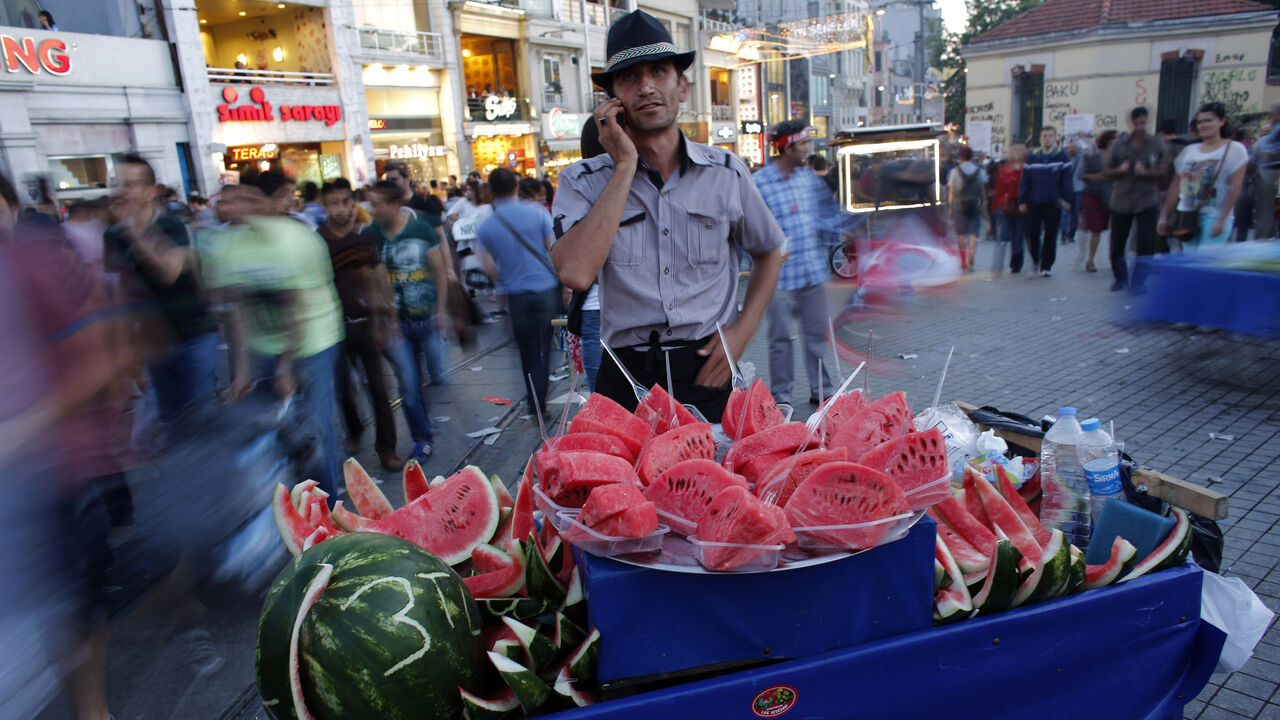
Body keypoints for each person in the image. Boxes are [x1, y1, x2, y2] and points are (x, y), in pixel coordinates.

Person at [550, 9, 784, 420]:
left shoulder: (726, 172)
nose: (646, 87)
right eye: (629, 78)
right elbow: (575, 272)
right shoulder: (581, 180)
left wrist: (743, 331)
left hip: (707, 365)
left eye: (659, 71)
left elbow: (770, 249)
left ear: (683, 85)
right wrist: (623, 166)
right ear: (612, 101)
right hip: (623, 370)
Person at [200, 173, 345, 495]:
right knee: (267, 432)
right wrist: (242, 369)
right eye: (236, 199)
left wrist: (285, 367)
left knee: (315, 429)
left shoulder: (294, 240)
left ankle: (331, 509)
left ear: (268, 202)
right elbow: (238, 309)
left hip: (313, 340)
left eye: (252, 199)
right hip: (263, 344)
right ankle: (287, 506)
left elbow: (294, 307)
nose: (242, 206)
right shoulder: (226, 245)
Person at [103, 154, 219, 425]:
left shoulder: (173, 225)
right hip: (154, 344)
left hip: (194, 335)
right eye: (119, 184)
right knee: (172, 423)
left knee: (203, 418)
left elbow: (168, 273)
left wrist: (133, 231)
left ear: (151, 191)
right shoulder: (112, 235)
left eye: (130, 185)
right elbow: (119, 294)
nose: (123, 191)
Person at [754, 120, 840, 406]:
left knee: (816, 338)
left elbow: (822, 217)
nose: (807, 149)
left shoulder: (808, 179)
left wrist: (842, 229)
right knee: (780, 342)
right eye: (803, 144)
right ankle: (781, 398)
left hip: (813, 274)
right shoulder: (759, 183)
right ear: (787, 146)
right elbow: (750, 228)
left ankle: (822, 391)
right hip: (778, 280)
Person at [319, 178, 400, 471]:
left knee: (378, 388)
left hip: (367, 324)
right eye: (333, 203)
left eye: (345, 202)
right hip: (332, 329)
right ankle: (354, 429)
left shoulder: (366, 241)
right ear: (324, 205)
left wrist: (386, 318)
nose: (340, 209)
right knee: (343, 388)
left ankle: (386, 449)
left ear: (353, 204)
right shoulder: (319, 242)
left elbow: (380, 281)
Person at [363, 180, 446, 464]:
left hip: (427, 317)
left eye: (377, 204)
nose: (371, 210)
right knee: (409, 384)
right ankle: (422, 438)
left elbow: (439, 272)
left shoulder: (421, 229)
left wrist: (442, 310)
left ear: (395, 205)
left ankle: (422, 417)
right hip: (396, 324)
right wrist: (385, 319)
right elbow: (374, 282)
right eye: (370, 204)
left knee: (434, 374)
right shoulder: (370, 234)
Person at [476, 169, 561, 414]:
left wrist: (504, 278)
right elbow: (552, 249)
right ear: (516, 186)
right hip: (545, 289)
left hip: (517, 295)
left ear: (490, 191)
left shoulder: (488, 225)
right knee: (546, 345)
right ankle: (540, 397)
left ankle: (535, 404)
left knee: (527, 351)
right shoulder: (537, 212)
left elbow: (485, 264)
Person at [1159, 102, 1249, 250]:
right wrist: (1164, 215)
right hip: (1187, 216)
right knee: (1191, 264)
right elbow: (1176, 185)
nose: (1204, 125)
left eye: (1209, 120)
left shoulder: (1234, 149)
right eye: (1200, 122)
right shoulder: (1189, 150)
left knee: (1206, 264)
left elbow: (1235, 187)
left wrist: (1222, 218)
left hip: (1214, 216)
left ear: (1222, 121)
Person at [1105, 107, 1169, 291]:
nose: (1140, 126)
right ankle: (1120, 278)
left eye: (1143, 122)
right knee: (1117, 243)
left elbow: (1164, 171)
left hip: (1146, 199)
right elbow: (1107, 171)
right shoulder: (1119, 144)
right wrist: (1119, 170)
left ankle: (1139, 282)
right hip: (1121, 199)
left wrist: (1147, 172)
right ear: (1131, 123)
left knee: (1146, 243)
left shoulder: (1156, 143)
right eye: (1137, 123)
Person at [1018, 126, 1073, 276]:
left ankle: (1046, 266)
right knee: (1033, 233)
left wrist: (1067, 199)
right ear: (1040, 138)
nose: (1047, 139)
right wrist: (1022, 200)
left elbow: (1067, 181)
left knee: (1051, 234)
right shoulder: (1033, 157)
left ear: (1055, 138)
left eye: (1050, 136)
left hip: (1054, 201)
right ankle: (1036, 259)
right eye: (1044, 136)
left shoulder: (1062, 156)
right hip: (1035, 201)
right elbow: (1025, 181)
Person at [1077, 130, 1118, 272]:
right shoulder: (1092, 156)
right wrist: (1100, 177)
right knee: (1096, 230)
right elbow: (1081, 175)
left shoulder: (1119, 158)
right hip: (1095, 195)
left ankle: (1115, 259)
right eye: (1113, 140)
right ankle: (1090, 260)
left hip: (1114, 195)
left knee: (1117, 231)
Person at [947, 145, 987, 272]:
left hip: (960, 206)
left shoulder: (955, 172)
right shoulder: (979, 171)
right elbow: (982, 188)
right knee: (973, 234)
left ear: (960, 156)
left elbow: (952, 191)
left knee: (961, 235)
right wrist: (984, 202)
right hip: (975, 205)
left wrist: (950, 207)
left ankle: (963, 259)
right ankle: (971, 258)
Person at [990, 143, 1027, 275]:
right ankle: (997, 265)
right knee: (1003, 236)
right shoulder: (1004, 169)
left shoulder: (1027, 168)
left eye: (1020, 150)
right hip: (1005, 206)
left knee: (1019, 236)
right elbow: (998, 188)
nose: (1017, 153)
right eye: (1014, 150)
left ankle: (1016, 265)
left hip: (1021, 206)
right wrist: (996, 206)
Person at [1252, 102, 1280, 240]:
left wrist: (1271, 154)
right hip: (1269, 172)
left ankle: (1263, 239)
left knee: (1266, 210)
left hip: (1272, 172)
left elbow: (1269, 150)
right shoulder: (1275, 128)